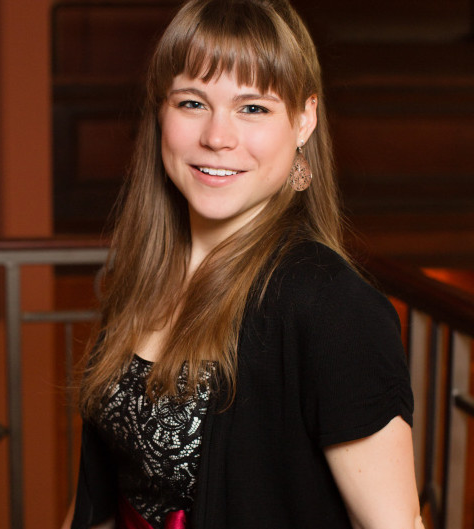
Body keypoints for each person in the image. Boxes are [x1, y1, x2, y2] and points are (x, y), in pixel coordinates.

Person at [62, 0, 424, 527]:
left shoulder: (332, 306)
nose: (217, 137)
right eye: (192, 103)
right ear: (160, 111)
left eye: (252, 107)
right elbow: (98, 497)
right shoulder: (146, 275)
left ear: (304, 120)